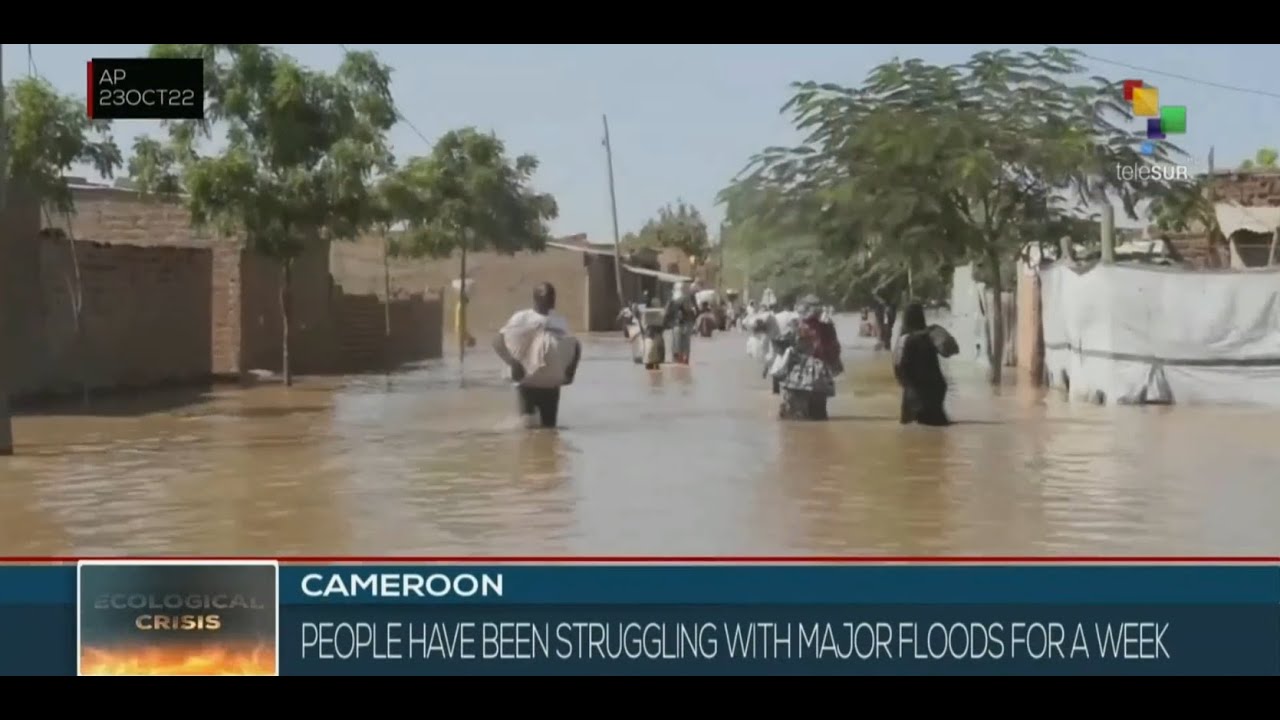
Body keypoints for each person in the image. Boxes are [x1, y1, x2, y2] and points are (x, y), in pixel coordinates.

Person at [492, 282, 582, 428]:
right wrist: (512, 363)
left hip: (551, 385)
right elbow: (497, 341)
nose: (553, 299)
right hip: (527, 382)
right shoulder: (521, 318)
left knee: (550, 430)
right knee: (526, 426)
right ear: (537, 297)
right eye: (548, 296)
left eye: (553, 296)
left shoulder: (560, 320)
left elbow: (572, 346)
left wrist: (570, 371)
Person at [774, 295, 841, 420]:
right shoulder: (827, 326)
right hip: (819, 370)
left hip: (800, 369)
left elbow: (783, 345)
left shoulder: (797, 325)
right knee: (818, 411)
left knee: (795, 410)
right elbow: (834, 348)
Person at [893, 303, 951, 426]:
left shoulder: (905, 339)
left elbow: (898, 367)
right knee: (937, 427)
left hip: (915, 393)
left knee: (912, 432)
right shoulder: (930, 335)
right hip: (936, 389)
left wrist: (906, 386)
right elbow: (950, 350)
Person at [666, 282, 698, 365]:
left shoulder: (673, 299)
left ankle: (679, 364)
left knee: (677, 348)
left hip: (677, 325)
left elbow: (667, 313)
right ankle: (683, 363)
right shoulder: (688, 299)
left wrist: (668, 323)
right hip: (685, 325)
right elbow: (695, 312)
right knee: (685, 348)